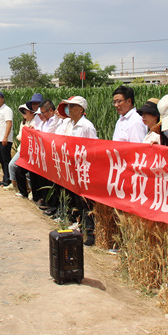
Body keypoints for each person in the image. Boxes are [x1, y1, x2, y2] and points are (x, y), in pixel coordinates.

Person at [57, 96, 98, 245]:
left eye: (72, 106)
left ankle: (90, 233)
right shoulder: (68, 124)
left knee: (85, 201)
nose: (69, 109)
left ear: (81, 109)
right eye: (68, 106)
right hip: (71, 167)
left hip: (83, 168)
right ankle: (80, 226)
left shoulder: (86, 126)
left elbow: (93, 147)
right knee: (76, 200)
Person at [8, 103, 37, 198]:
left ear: (31, 112)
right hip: (22, 149)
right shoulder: (24, 123)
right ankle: (15, 185)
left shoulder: (35, 122)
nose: (23, 114)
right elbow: (20, 136)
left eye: (25, 111)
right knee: (12, 165)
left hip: (32, 151)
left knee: (28, 172)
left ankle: (31, 190)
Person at [0, 90, 14, 187]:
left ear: (3, 98)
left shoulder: (6, 110)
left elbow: (9, 123)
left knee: (6, 160)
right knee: (1, 160)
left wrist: (5, 137)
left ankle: (8, 179)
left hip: (4, 139)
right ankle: (5, 178)